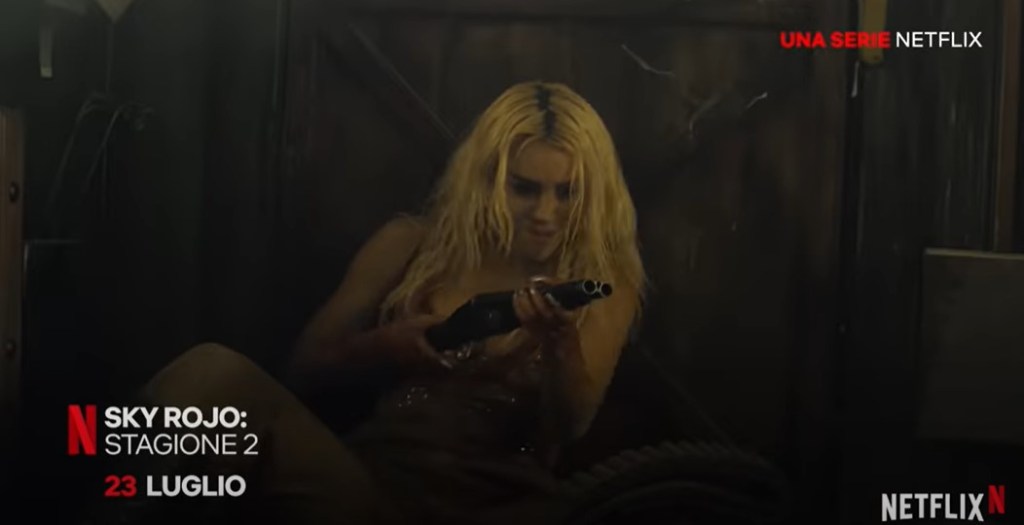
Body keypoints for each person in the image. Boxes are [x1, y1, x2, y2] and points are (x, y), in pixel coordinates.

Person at [126, 81, 646, 525]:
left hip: (499, 508)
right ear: (487, 178)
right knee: (210, 373)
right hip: (370, 492)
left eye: (567, 192)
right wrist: (382, 347)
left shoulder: (602, 283)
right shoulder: (411, 246)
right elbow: (302, 369)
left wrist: (559, 343)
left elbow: (572, 427)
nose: (546, 213)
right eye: (525, 189)